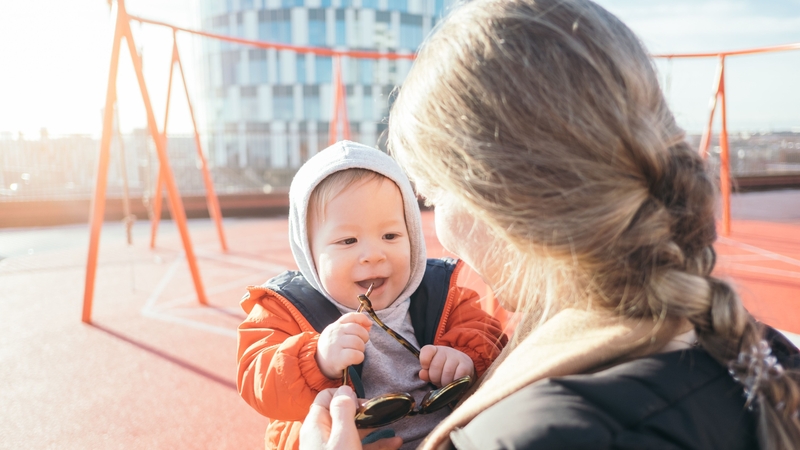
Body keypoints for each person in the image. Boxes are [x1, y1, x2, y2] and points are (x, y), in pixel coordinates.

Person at [299, 0, 800, 449]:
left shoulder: (532, 433)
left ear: (497, 201)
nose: (439, 232)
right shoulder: (765, 352)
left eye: (433, 197)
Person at [237, 141, 507, 450]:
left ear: (413, 237)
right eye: (348, 240)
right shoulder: (285, 308)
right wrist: (317, 359)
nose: (373, 255)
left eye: (390, 236)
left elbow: (492, 339)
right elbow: (255, 380)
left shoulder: (442, 291)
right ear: (308, 251)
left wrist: (467, 360)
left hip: (448, 439)